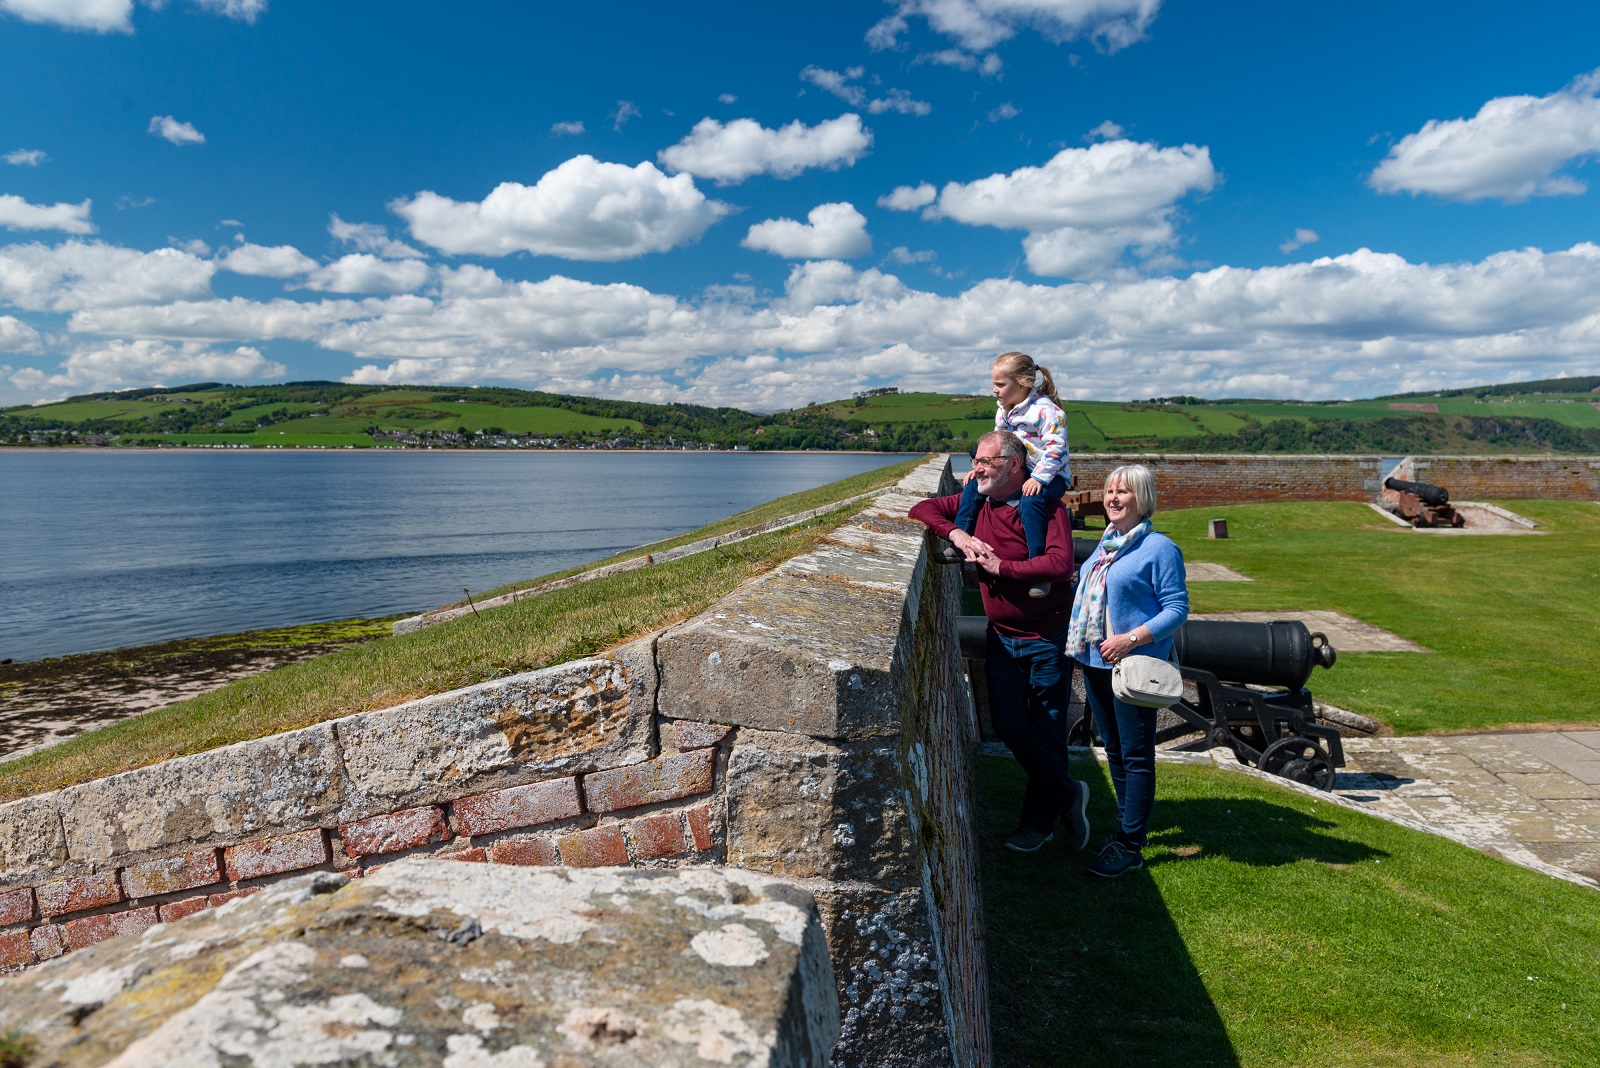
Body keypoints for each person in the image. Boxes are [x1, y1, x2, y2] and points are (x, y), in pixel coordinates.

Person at [910, 430, 1088, 854]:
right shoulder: (977, 502)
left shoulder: (1046, 506)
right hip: (1003, 638)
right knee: (1008, 725)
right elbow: (922, 508)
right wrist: (958, 535)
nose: (977, 468)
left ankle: (1036, 825)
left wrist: (1002, 568)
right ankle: (1068, 794)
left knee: (1047, 733)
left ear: (1014, 465)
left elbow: (1061, 565)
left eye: (987, 462)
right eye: (976, 460)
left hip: (1046, 638)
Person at [1066, 464, 1189, 878]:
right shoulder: (1108, 543)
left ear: (1143, 499)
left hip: (1132, 665)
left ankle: (1131, 846)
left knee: (1136, 757)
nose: (1114, 498)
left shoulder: (1159, 548)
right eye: (1110, 491)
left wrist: (1130, 638)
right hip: (1097, 662)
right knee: (1115, 751)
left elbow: (1177, 609)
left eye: (1124, 492)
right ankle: (1126, 832)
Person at [945, 352, 1072, 599]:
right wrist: (982, 465)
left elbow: (1057, 449)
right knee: (975, 486)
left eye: (1000, 384)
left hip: (1051, 476)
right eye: (994, 384)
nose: (995, 390)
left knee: (1031, 500)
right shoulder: (1004, 411)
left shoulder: (1048, 411)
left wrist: (1039, 479)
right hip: (1021, 473)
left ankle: (1039, 570)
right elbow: (997, 442)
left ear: (1023, 383)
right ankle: (962, 544)